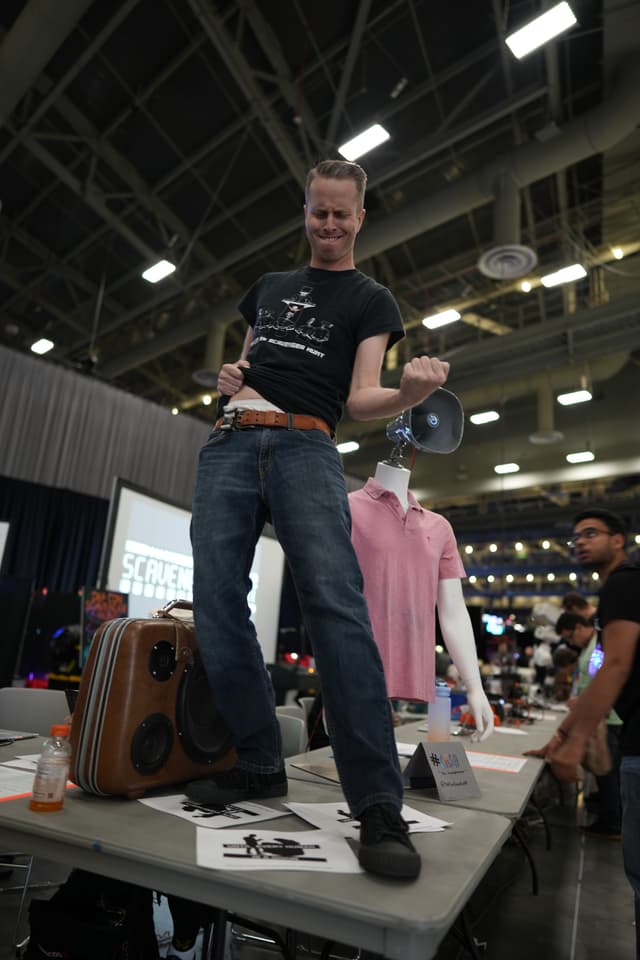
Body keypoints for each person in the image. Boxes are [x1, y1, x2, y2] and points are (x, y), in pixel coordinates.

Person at [186, 159, 451, 880]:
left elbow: (361, 396)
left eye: (341, 214)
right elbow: (244, 368)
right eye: (317, 212)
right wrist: (227, 382)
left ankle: (376, 804)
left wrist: (407, 393)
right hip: (230, 444)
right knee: (214, 603)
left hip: (307, 444)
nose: (328, 225)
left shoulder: (371, 299)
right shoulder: (268, 290)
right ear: (304, 210)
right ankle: (257, 761)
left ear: (361, 216)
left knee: (336, 609)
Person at [531, 508, 640, 955]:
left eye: (591, 534)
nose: (579, 541)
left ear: (619, 540)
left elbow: (615, 667)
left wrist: (574, 744)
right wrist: (561, 738)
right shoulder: (623, 584)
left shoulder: (623, 582)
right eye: (575, 536)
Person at [348, 459, 494, 735]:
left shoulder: (439, 527)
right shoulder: (346, 507)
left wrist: (475, 686)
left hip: (409, 674)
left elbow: (453, 612)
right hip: (353, 671)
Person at [554, 611, 623, 837]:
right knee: (604, 773)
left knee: (607, 772)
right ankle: (607, 813)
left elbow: (601, 680)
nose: (572, 643)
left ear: (579, 627)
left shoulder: (598, 646)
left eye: (571, 637)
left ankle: (612, 822)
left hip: (608, 716)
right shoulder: (591, 647)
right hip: (599, 714)